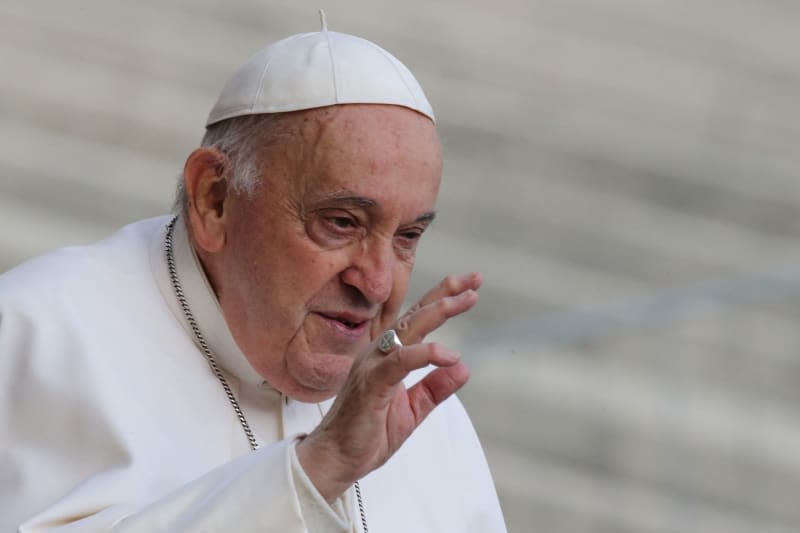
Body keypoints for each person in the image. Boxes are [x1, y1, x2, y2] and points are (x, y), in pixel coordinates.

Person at [0, 14, 507, 533]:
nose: (376, 285)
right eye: (340, 222)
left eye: (407, 237)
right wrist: (318, 467)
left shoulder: (410, 392)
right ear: (214, 200)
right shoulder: (34, 333)